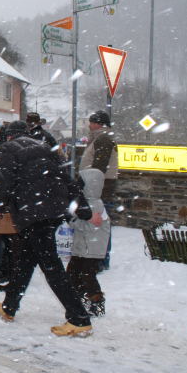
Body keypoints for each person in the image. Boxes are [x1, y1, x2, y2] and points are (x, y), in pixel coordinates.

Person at [0, 121, 93, 337]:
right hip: (53, 210)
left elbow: (2, 182)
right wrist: (82, 207)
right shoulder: (45, 147)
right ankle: (9, 306)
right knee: (24, 260)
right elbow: (68, 178)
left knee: (50, 265)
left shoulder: (7, 150)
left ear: (9, 137)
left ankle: (79, 318)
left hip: (33, 212)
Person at [68, 168, 111, 316]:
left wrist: (71, 220)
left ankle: (96, 303)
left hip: (91, 249)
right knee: (75, 274)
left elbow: (88, 226)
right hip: (84, 247)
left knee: (87, 275)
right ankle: (81, 301)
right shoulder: (88, 202)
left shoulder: (94, 205)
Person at [80, 110, 118, 271]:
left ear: (98, 124)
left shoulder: (103, 139)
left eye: (91, 122)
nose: (89, 125)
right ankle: (97, 258)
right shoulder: (100, 138)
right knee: (99, 223)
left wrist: (90, 187)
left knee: (100, 224)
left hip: (100, 190)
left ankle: (100, 260)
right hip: (99, 189)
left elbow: (99, 167)